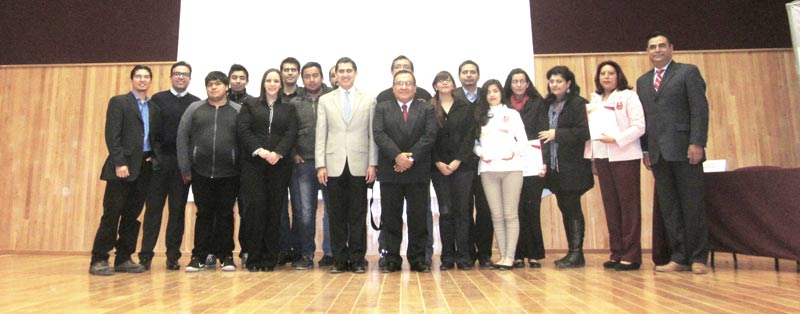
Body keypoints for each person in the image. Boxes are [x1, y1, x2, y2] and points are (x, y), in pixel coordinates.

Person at [637, 31, 710, 275]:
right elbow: (645, 119)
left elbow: (699, 110)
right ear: (647, 52)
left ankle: (699, 257)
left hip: (685, 149)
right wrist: (645, 148)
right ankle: (679, 256)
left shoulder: (688, 72)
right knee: (670, 208)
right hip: (658, 154)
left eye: (661, 46)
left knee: (692, 206)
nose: (656, 50)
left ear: (671, 48)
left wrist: (697, 142)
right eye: (652, 47)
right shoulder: (643, 81)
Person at [89, 65, 161, 276]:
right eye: (138, 76)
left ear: (150, 81)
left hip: (144, 168)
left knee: (132, 215)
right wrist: (120, 163)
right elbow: (112, 136)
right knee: (112, 214)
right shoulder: (119, 102)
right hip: (122, 168)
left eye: (146, 77)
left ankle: (123, 258)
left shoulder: (154, 108)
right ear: (132, 80)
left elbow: (154, 138)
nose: (142, 80)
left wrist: (155, 159)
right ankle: (99, 258)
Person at [315, 57, 377, 274]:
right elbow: (321, 134)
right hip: (333, 164)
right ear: (335, 75)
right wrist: (320, 165)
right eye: (340, 71)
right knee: (336, 214)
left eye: (348, 71)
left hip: (360, 164)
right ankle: (340, 259)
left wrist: (372, 163)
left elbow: (372, 134)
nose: (345, 74)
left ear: (355, 73)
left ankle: (358, 258)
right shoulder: (325, 100)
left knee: (358, 214)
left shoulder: (369, 99)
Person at [373, 70, 438, 273]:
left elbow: (429, 135)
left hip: (417, 171)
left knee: (418, 217)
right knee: (391, 217)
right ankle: (391, 259)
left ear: (415, 87)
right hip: (391, 170)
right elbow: (379, 134)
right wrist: (397, 156)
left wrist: (409, 158)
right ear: (393, 87)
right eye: (399, 83)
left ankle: (419, 259)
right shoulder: (382, 108)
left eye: (408, 83)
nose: (403, 87)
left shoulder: (426, 108)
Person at [176, 71, 242, 272]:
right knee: (203, 214)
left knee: (225, 214)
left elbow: (245, 141)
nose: (214, 87)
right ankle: (199, 256)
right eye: (210, 84)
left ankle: (226, 256)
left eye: (218, 84)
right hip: (200, 172)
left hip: (229, 173)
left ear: (227, 87)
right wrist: (185, 167)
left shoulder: (238, 110)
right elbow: (182, 138)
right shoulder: (194, 109)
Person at [138, 61, 200, 271]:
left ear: (190, 78)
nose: (180, 77)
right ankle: (145, 255)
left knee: (177, 211)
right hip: (159, 163)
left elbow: (194, 137)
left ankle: (172, 256)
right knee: (153, 210)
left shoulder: (196, 103)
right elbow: (150, 131)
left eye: (184, 74)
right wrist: (152, 157)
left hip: (182, 165)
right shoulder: (158, 99)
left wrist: (188, 165)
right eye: (177, 74)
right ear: (171, 76)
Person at [584, 61, 646, 271]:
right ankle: (616, 253)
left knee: (628, 207)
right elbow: (593, 132)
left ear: (618, 76)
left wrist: (617, 138)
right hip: (602, 158)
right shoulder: (595, 99)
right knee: (611, 207)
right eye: (603, 74)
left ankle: (631, 255)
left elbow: (639, 126)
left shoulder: (628, 96)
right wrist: (592, 157)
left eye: (611, 73)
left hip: (624, 156)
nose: (607, 77)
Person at [237, 68, 297, 272]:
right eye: (269, 80)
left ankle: (270, 258)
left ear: (281, 85)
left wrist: (278, 153)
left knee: (274, 211)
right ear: (263, 83)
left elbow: (291, 133)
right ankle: (253, 258)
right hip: (253, 165)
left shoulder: (289, 108)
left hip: (278, 166)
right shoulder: (250, 104)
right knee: (255, 210)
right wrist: (260, 151)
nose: (272, 84)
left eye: (276, 81)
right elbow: (243, 130)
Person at [538, 65, 593, 269]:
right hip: (554, 168)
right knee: (565, 208)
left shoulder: (579, 104)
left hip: (573, 167)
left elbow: (585, 131)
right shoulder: (546, 105)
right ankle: (572, 252)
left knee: (572, 209)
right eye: (552, 81)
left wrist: (557, 134)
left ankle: (577, 253)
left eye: (559, 81)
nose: (555, 85)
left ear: (569, 83)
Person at [473, 79, 528, 270]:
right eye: (488, 92)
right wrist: (481, 154)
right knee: (496, 216)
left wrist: (512, 152)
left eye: (495, 91)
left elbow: (523, 141)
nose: (492, 95)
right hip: (488, 170)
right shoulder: (480, 116)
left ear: (501, 93)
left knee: (510, 214)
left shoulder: (512, 114)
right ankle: (503, 256)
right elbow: (475, 144)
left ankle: (510, 257)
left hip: (511, 168)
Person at [288, 62, 334, 270]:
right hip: (304, 162)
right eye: (307, 76)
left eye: (315, 75)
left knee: (332, 210)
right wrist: (293, 153)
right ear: (302, 78)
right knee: (305, 211)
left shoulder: (333, 98)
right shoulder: (294, 103)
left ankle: (331, 253)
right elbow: (287, 132)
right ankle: (306, 254)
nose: (312, 79)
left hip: (330, 162)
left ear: (322, 77)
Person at [429, 71, 477, 270]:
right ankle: (447, 257)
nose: (444, 83)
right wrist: (438, 162)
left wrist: (458, 160)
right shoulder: (429, 108)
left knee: (463, 211)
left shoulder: (464, 106)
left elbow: (470, 136)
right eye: (440, 80)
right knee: (446, 212)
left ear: (453, 84)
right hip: (439, 168)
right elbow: (428, 138)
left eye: (447, 80)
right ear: (435, 86)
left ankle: (464, 257)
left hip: (463, 167)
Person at [503, 68, 548, 269]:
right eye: (515, 81)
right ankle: (518, 254)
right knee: (515, 209)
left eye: (522, 81)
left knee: (532, 208)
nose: (519, 85)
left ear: (528, 84)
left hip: (532, 161)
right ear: (510, 85)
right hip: (509, 161)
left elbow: (543, 136)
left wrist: (542, 162)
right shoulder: (503, 107)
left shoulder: (538, 104)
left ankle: (534, 254)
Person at [456, 60, 492, 267]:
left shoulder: (487, 97)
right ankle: (468, 253)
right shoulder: (454, 97)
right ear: (459, 75)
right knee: (464, 209)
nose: (469, 75)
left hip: (488, 163)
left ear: (478, 75)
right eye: (465, 72)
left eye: (472, 72)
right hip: (463, 164)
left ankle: (485, 253)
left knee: (485, 209)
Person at [227, 63, 254, 267]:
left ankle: (246, 251)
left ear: (247, 80)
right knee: (225, 211)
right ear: (229, 79)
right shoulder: (218, 100)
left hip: (247, 166)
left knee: (247, 210)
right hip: (224, 167)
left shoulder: (254, 103)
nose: (238, 80)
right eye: (234, 77)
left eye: (242, 77)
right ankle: (223, 252)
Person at [277, 56, 302, 266]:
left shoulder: (303, 97)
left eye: (294, 69)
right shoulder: (273, 97)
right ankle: (283, 248)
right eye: (286, 69)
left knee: (300, 207)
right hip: (276, 160)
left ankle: (296, 248)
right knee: (279, 207)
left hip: (298, 160)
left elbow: (298, 130)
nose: (290, 73)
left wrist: (294, 152)